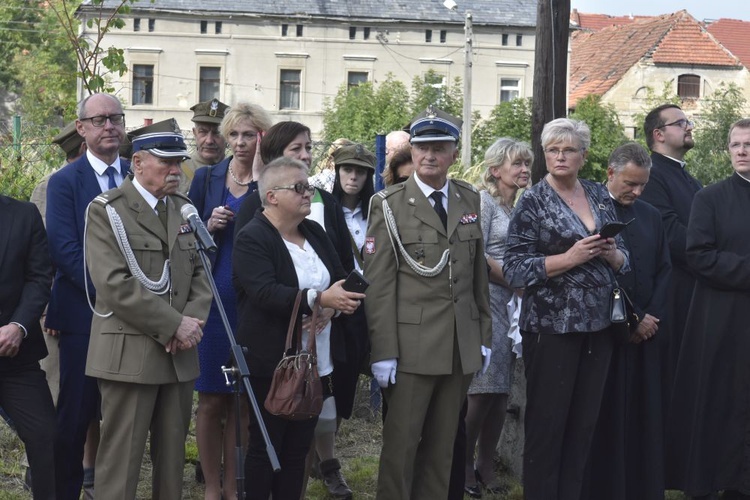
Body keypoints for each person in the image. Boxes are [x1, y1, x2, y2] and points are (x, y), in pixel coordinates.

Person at [364, 106, 492, 500]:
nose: (429, 155)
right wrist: (383, 351)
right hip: (410, 349)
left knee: (443, 450)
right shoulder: (388, 204)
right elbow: (379, 285)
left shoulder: (468, 198)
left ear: (455, 153)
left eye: (439, 147)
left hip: (457, 345)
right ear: (412, 152)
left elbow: (476, 277)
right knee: (401, 448)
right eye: (422, 147)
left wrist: (483, 333)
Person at [502, 117, 628, 500]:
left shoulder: (599, 194)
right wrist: (569, 258)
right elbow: (514, 268)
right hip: (552, 328)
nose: (560, 156)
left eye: (568, 149)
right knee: (548, 426)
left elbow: (627, 260)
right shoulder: (533, 201)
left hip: (600, 324)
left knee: (585, 424)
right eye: (553, 150)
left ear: (583, 155)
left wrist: (612, 255)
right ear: (544, 155)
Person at [83, 130, 212, 498]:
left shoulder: (182, 207)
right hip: (130, 355)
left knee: (172, 462)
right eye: (166, 161)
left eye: (178, 161)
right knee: (120, 462)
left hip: (179, 355)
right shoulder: (107, 209)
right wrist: (175, 325)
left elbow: (202, 276)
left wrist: (190, 325)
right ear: (138, 163)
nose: (176, 169)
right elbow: (114, 285)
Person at [233, 121, 356, 496]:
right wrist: (318, 300)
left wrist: (332, 308)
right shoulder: (253, 236)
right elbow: (265, 293)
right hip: (272, 360)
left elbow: (340, 277)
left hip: (316, 358)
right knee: (265, 446)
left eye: (309, 187)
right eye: (299, 188)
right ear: (271, 196)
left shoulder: (313, 231)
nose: (308, 194)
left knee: (299, 447)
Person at [46, 93, 129, 500]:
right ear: (81, 129)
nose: (109, 126)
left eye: (116, 118)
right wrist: (119, 295)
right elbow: (65, 251)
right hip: (84, 316)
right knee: (76, 415)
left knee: (123, 417)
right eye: (99, 120)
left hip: (137, 319)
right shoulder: (64, 182)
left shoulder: (137, 173)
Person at [187, 101, 271, 500]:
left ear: (262, 138)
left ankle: (235, 487)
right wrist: (207, 225)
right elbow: (182, 238)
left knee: (242, 401)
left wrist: (257, 182)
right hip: (212, 302)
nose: (239, 143)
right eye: (234, 135)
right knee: (211, 399)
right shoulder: (206, 179)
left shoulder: (272, 181)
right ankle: (212, 486)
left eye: (248, 135)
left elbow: (278, 232)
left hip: (252, 303)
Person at [665, 119, 750, 500]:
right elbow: (698, 254)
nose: (742, 151)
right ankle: (717, 481)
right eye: (735, 145)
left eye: (748, 144)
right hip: (723, 318)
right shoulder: (711, 198)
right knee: (722, 402)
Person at [588, 142, 671, 500]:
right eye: (630, 184)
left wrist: (649, 317)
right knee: (603, 419)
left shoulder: (651, 215)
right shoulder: (591, 210)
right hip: (605, 335)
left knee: (643, 419)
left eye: (642, 186)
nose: (636, 192)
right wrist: (631, 322)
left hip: (646, 336)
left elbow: (665, 269)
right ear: (611, 173)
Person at [463, 138, 531, 498]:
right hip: (487, 301)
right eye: (517, 164)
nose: (524, 170)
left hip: (513, 304)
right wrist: (516, 281)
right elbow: (476, 254)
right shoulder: (483, 202)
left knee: (501, 390)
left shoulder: (519, 206)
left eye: (526, 165)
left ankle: (486, 463)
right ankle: (462, 463)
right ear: (495, 170)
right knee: (482, 388)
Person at [639, 104, 701, 417]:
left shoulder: (685, 177)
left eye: (688, 122)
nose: (688, 127)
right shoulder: (651, 175)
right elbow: (671, 234)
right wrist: (712, 259)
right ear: (659, 134)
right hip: (670, 298)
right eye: (680, 123)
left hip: (691, 294)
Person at [0, 193, 56, 500]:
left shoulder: (24, 214)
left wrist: (18, 326)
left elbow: (39, 277)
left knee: (45, 435)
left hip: (16, 358)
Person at [179, 98, 230, 193]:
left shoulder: (235, 173)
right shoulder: (178, 172)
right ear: (195, 133)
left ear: (227, 135)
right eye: (203, 132)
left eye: (217, 133)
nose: (209, 140)